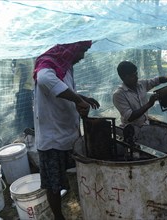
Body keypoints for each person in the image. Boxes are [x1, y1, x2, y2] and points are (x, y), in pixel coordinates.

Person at [33, 40, 100, 220]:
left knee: (76, 178)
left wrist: (81, 97)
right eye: (83, 51)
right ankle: (58, 217)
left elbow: (63, 90)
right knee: (53, 185)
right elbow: (45, 79)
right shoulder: (47, 64)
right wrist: (78, 100)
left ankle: (86, 207)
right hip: (52, 139)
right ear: (73, 48)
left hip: (68, 134)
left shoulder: (66, 66)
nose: (83, 56)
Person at [113, 61, 167, 128]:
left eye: (136, 74)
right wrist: (149, 104)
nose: (136, 77)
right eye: (132, 76)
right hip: (131, 130)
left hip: (145, 125)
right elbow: (130, 117)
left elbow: (156, 81)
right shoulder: (118, 95)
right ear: (123, 77)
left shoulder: (141, 84)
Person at [12, 58, 35, 132]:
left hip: (24, 88)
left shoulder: (22, 58)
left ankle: (19, 129)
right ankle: (31, 129)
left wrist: (20, 89)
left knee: (21, 109)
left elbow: (24, 73)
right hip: (28, 87)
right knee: (28, 111)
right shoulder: (28, 56)